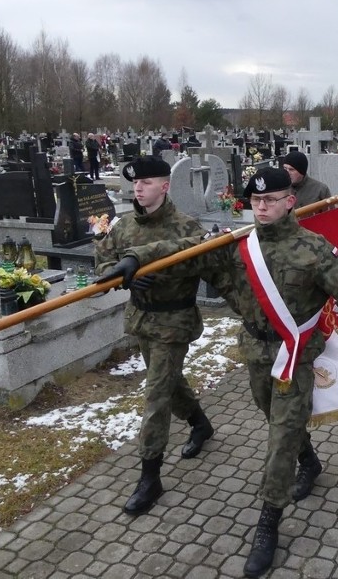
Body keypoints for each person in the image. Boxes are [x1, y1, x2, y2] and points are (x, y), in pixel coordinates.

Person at [116, 167, 338, 577]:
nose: (263, 206)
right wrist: (135, 259)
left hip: (296, 353)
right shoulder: (236, 246)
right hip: (254, 350)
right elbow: (183, 251)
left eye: (271, 199)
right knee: (274, 417)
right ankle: (311, 461)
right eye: (256, 201)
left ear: (290, 201)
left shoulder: (314, 249)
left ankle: (268, 524)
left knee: (279, 436)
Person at [94, 157, 220, 516]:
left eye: (147, 182)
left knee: (156, 395)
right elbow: (102, 266)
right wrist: (123, 276)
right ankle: (200, 424)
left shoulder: (186, 226)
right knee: (167, 380)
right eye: (135, 182)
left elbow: (201, 265)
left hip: (174, 322)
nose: (138, 188)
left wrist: (160, 273)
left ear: (165, 186)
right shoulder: (123, 227)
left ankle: (150, 477)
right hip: (141, 320)